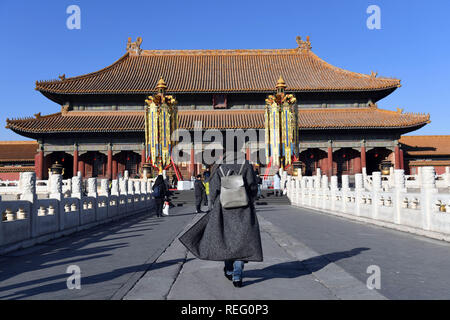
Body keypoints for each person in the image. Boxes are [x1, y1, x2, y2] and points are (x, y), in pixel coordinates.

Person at [179, 152, 263, 288]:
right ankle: (237, 274)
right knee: (242, 240)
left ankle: (229, 269)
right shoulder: (246, 165)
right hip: (244, 207)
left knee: (225, 239)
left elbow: (213, 188)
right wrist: (251, 198)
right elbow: (253, 185)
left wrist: (212, 204)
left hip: (224, 207)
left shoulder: (220, 166)